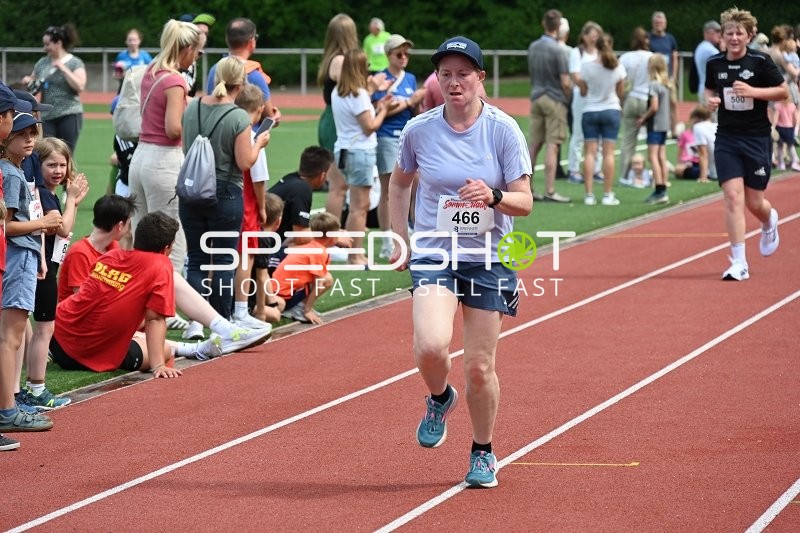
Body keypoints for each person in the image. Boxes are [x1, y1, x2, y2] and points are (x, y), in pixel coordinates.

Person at [388, 36, 533, 488]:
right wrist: (399, 238)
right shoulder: (419, 129)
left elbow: (525, 202)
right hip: (435, 252)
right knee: (431, 346)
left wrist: (493, 195)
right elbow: (399, 184)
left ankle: (483, 451)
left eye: (463, 74)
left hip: (488, 257)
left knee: (479, 367)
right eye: (445, 74)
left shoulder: (503, 130)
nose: (454, 82)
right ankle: (439, 397)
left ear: (480, 78)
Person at [58, 195, 271, 355]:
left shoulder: (113, 250)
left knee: (148, 318)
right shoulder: (82, 253)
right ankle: (203, 343)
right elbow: (84, 303)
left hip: (103, 320)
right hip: (83, 327)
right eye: (129, 222)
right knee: (144, 346)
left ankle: (223, 331)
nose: (130, 228)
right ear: (120, 225)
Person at [52, 212, 197, 376]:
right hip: (85, 353)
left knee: (135, 329)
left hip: (56, 335)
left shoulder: (111, 255)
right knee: (165, 350)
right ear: (166, 248)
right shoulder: (161, 264)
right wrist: (158, 365)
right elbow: (155, 319)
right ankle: (197, 343)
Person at [180, 56, 269, 320]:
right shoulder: (238, 116)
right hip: (225, 190)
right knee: (222, 261)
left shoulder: (192, 107)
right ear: (240, 85)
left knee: (196, 259)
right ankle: (222, 322)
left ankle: (196, 322)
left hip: (192, 189)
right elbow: (244, 162)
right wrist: (259, 143)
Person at [704, 7, 786, 281]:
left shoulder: (760, 62)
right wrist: (710, 100)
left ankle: (769, 220)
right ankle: (739, 262)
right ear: (722, 36)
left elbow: (783, 91)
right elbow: (709, 88)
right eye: (729, 33)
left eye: (739, 33)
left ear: (749, 36)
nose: (734, 38)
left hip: (756, 138)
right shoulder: (714, 63)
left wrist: (753, 92)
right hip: (727, 138)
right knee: (732, 197)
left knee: (755, 202)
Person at [0, 98, 61, 435]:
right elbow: (7, 226)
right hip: (17, 257)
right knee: (10, 337)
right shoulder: (10, 174)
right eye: (21, 133)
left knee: (11, 335)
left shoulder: (15, 169)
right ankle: (8, 408)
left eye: (32, 133)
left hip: (23, 255)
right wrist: (44, 223)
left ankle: (10, 403)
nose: (29, 139)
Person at [128, 19, 202, 277]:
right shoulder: (175, 81)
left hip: (140, 157)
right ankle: (165, 298)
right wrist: (196, 125)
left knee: (141, 238)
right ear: (188, 48)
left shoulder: (151, 70)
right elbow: (173, 129)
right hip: (164, 161)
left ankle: (140, 294)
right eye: (197, 51)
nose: (197, 57)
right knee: (172, 240)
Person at [19, 137, 88, 411]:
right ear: (38, 165)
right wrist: (72, 201)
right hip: (41, 268)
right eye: (51, 165)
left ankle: (27, 388)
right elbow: (63, 228)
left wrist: (73, 202)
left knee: (33, 328)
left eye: (62, 164)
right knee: (44, 328)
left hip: (44, 266)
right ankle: (36, 388)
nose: (58, 170)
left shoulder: (47, 193)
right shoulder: (44, 194)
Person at [331, 48, 392, 266]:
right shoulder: (358, 94)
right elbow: (369, 127)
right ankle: (354, 254)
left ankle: (354, 252)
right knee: (360, 206)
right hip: (360, 152)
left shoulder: (338, 91)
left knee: (355, 204)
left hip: (344, 149)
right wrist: (383, 109)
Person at [372, 34, 425, 259]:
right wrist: (408, 102)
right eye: (399, 54)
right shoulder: (379, 78)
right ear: (389, 55)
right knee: (387, 190)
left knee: (416, 185)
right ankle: (387, 239)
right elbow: (378, 111)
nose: (404, 57)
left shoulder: (410, 78)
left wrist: (416, 106)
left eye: (406, 53)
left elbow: (414, 110)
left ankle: (415, 233)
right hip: (386, 137)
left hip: (408, 137)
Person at [317, 14, 361, 221]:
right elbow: (353, 89)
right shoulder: (340, 61)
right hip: (337, 123)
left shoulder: (332, 59)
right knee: (339, 185)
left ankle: (337, 227)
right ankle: (330, 232)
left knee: (341, 184)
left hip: (334, 120)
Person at [527, 9, 571, 203]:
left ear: (544, 24)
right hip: (554, 98)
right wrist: (568, 98)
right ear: (559, 26)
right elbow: (565, 81)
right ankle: (550, 190)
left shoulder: (533, 47)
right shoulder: (559, 50)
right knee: (553, 145)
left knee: (534, 145)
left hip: (537, 96)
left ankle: (527, 188)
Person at [578, 32, 626, 206]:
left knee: (590, 153)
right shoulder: (617, 66)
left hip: (590, 110)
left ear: (596, 46)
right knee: (609, 153)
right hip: (611, 109)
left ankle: (589, 195)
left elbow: (583, 92)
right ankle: (607, 194)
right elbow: (620, 92)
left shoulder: (586, 66)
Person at [21, 24, 86, 154]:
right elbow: (34, 85)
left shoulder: (74, 62)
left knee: (66, 153)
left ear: (58, 43)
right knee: (45, 153)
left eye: (47, 44)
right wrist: (28, 81)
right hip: (47, 115)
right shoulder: (42, 63)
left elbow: (80, 86)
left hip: (69, 113)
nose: (44, 48)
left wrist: (63, 68)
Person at [206, 18, 281, 126]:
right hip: (247, 135)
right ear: (252, 41)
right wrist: (276, 117)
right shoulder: (254, 74)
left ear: (227, 40)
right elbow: (269, 117)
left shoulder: (215, 69)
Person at [272, 212, 340, 325]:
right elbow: (319, 283)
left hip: (281, 290)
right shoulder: (319, 252)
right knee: (326, 280)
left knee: (325, 277)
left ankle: (298, 306)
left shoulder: (314, 247)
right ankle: (301, 309)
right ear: (332, 236)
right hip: (280, 295)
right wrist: (307, 310)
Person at [568, 21, 603, 185]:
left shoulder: (601, 52)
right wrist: (586, 88)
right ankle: (574, 169)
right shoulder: (577, 52)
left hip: (599, 97)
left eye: (597, 36)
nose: (595, 39)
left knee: (599, 135)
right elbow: (575, 75)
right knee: (578, 133)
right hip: (582, 96)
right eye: (592, 35)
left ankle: (596, 169)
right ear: (584, 36)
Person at [619, 27, 653, 181]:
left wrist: (621, 102)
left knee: (628, 140)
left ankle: (624, 175)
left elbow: (621, 82)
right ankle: (653, 173)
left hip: (631, 98)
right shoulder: (651, 57)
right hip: (647, 99)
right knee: (653, 140)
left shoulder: (625, 58)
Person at [638, 54, 671, 204]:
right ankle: (664, 185)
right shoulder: (666, 84)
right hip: (664, 124)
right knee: (661, 156)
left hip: (655, 124)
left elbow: (654, 106)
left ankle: (659, 189)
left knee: (653, 157)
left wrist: (643, 118)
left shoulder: (653, 85)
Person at [648, 11, 680, 136]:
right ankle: (655, 129)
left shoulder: (670, 38)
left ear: (665, 23)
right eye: (656, 22)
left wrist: (674, 76)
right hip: (655, 78)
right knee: (655, 105)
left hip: (668, 78)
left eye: (661, 22)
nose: (659, 24)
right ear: (652, 23)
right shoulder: (648, 38)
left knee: (673, 104)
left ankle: (674, 130)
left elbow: (674, 57)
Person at [770, 91, 800, 171]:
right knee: (791, 146)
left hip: (780, 128)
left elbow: (776, 119)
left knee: (780, 147)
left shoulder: (777, 105)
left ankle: (781, 164)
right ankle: (794, 162)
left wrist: (773, 127)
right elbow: (795, 119)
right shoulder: (792, 105)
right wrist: (795, 128)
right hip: (790, 128)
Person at [694, 21, 722, 103]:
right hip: (710, 92)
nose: (719, 35)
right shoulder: (710, 50)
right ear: (707, 33)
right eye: (716, 32)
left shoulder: (702, 46)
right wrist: (724, 48)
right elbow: (725, 64)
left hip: (704, 89)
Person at [691, 106, 718, 182]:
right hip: (725, 170)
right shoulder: (716, 125)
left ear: (696, 117)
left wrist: (703, 177)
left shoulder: (698, 127)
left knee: (679, 170)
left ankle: (705, 175)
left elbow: (703, 154)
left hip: (713, 172)